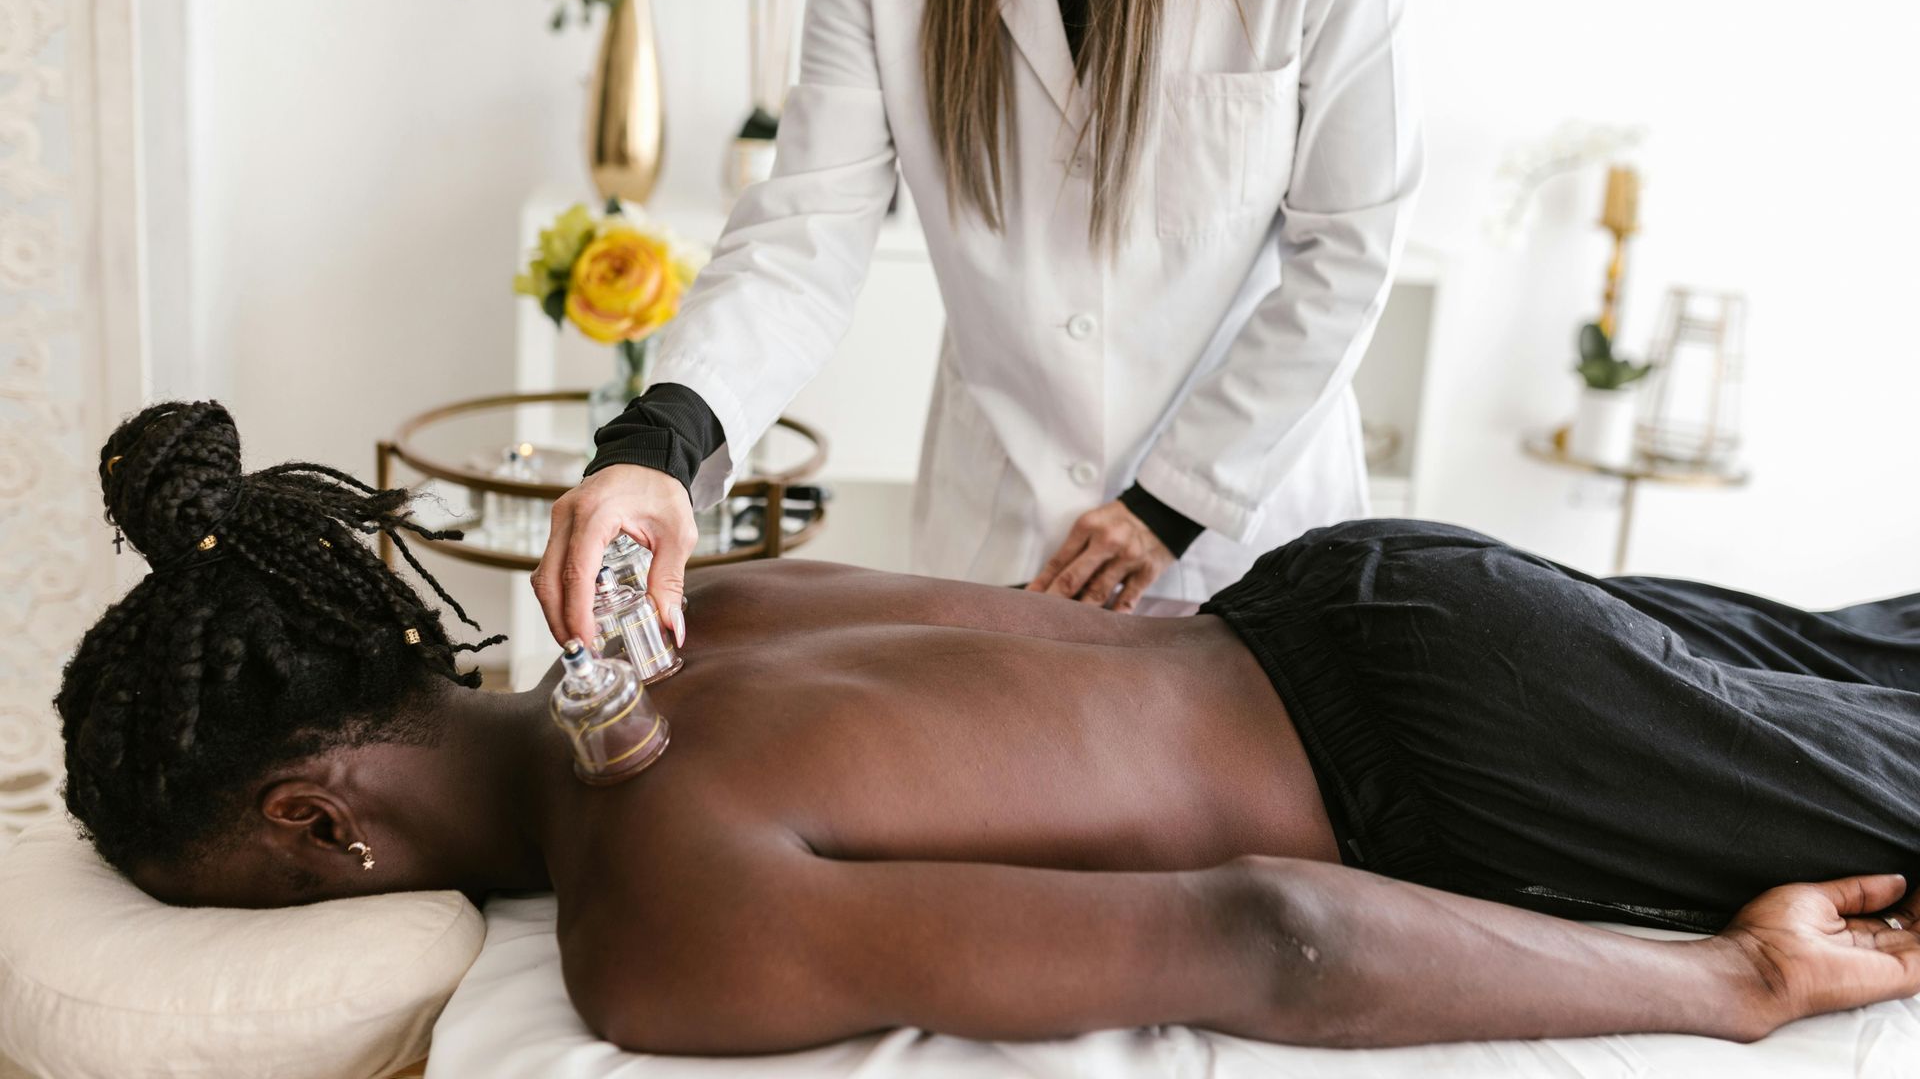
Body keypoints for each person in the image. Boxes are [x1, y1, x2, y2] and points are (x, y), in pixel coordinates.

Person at [64, 403, 1920, 1054]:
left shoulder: (655, 909)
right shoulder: (699, 604)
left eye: (233, 888)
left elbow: (1268, 935)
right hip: (1377, 599)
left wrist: (1733, 989)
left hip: (1461, 760)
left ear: (315, 823)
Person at [533, 0, 1422, 648]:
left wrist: (1172, 505)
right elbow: (804, 232)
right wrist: (660, 441)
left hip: (1247, 537)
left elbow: (1348, 246)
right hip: (1005, 542)